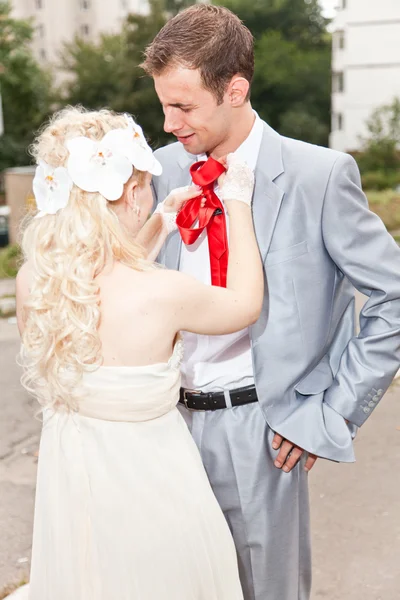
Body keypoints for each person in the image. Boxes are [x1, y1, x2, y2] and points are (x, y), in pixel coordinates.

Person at [142, 5, 400, 600]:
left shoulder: (321, 175)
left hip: (261, 430)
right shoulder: (159, 171)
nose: (169, 122)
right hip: (163, 430)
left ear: (235, 89)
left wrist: (332, 410)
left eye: (183, 106)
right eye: (163, 104)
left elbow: (391, 297)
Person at [15, 106, 264, 599]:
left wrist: (158, 224)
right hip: (152, 490)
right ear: (131, 194)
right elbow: (244, 304)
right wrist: (237, 202)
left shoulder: (34, 282)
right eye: (146, 184)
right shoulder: (163, 292)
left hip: (75, 488)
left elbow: (103, 288)